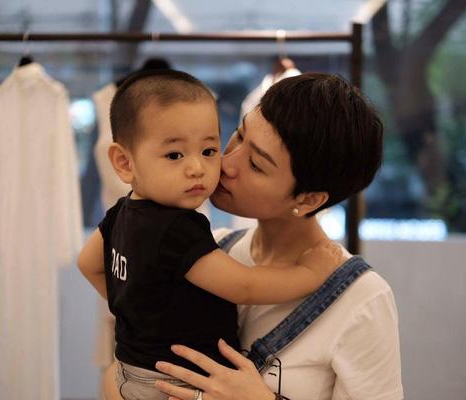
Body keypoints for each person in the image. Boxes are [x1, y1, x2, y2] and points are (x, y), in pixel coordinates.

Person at [77, 69, 346, 400]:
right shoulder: (177, 229)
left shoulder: (121, 212)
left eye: (208, 151)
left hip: (131, 372)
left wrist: (137, 310)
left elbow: (88, 263)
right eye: (174, 155)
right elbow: (245, 286)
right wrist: (312, 273)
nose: (197, 168)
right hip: (176, 383)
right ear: (124, 162)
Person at [139, 72, 402, 400]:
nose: (226, 162)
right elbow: (119, 374)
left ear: (309, 199)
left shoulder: (362, 299)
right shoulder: (208, 251)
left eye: (256, 165)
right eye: (238, 135)